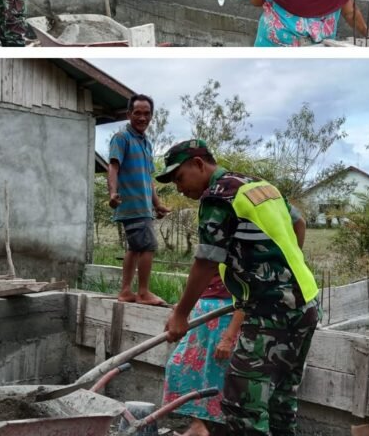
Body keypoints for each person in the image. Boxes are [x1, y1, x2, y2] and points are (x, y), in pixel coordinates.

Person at [158, 139, 319, 436]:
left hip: (272, 311)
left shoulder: (219, 196)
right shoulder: (259, 186)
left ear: (198, 164)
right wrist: (285, 271)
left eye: (179, 178)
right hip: (305, 303)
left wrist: (181, 314)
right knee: (281, 401)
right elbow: (300, 223)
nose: (179, 188)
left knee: (242, 406)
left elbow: (206, 261)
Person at [107, 94, 171, 305]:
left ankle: (126, 291)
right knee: (148, 246)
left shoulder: (147, 144)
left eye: (146, 114)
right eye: (137, 113)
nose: (142, 118)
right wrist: (112, 193)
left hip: (143, 206)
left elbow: (148, 178)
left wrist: (157, 204)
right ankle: (143, 292)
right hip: (131, 204)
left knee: (135, 248)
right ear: (129, 114)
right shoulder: (122, 138)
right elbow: (113, 167)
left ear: (151, 116)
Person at [162, 273, 245, 436]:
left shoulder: (241, 253)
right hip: (202, 311)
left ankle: (211, 428)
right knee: (178, 366)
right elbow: (199, 278)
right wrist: (181, 309)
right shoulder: (210, 253)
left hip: (226, 313)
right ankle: (198, 424)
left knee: (219, 374)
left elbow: (246, 295)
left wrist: (229, 337)